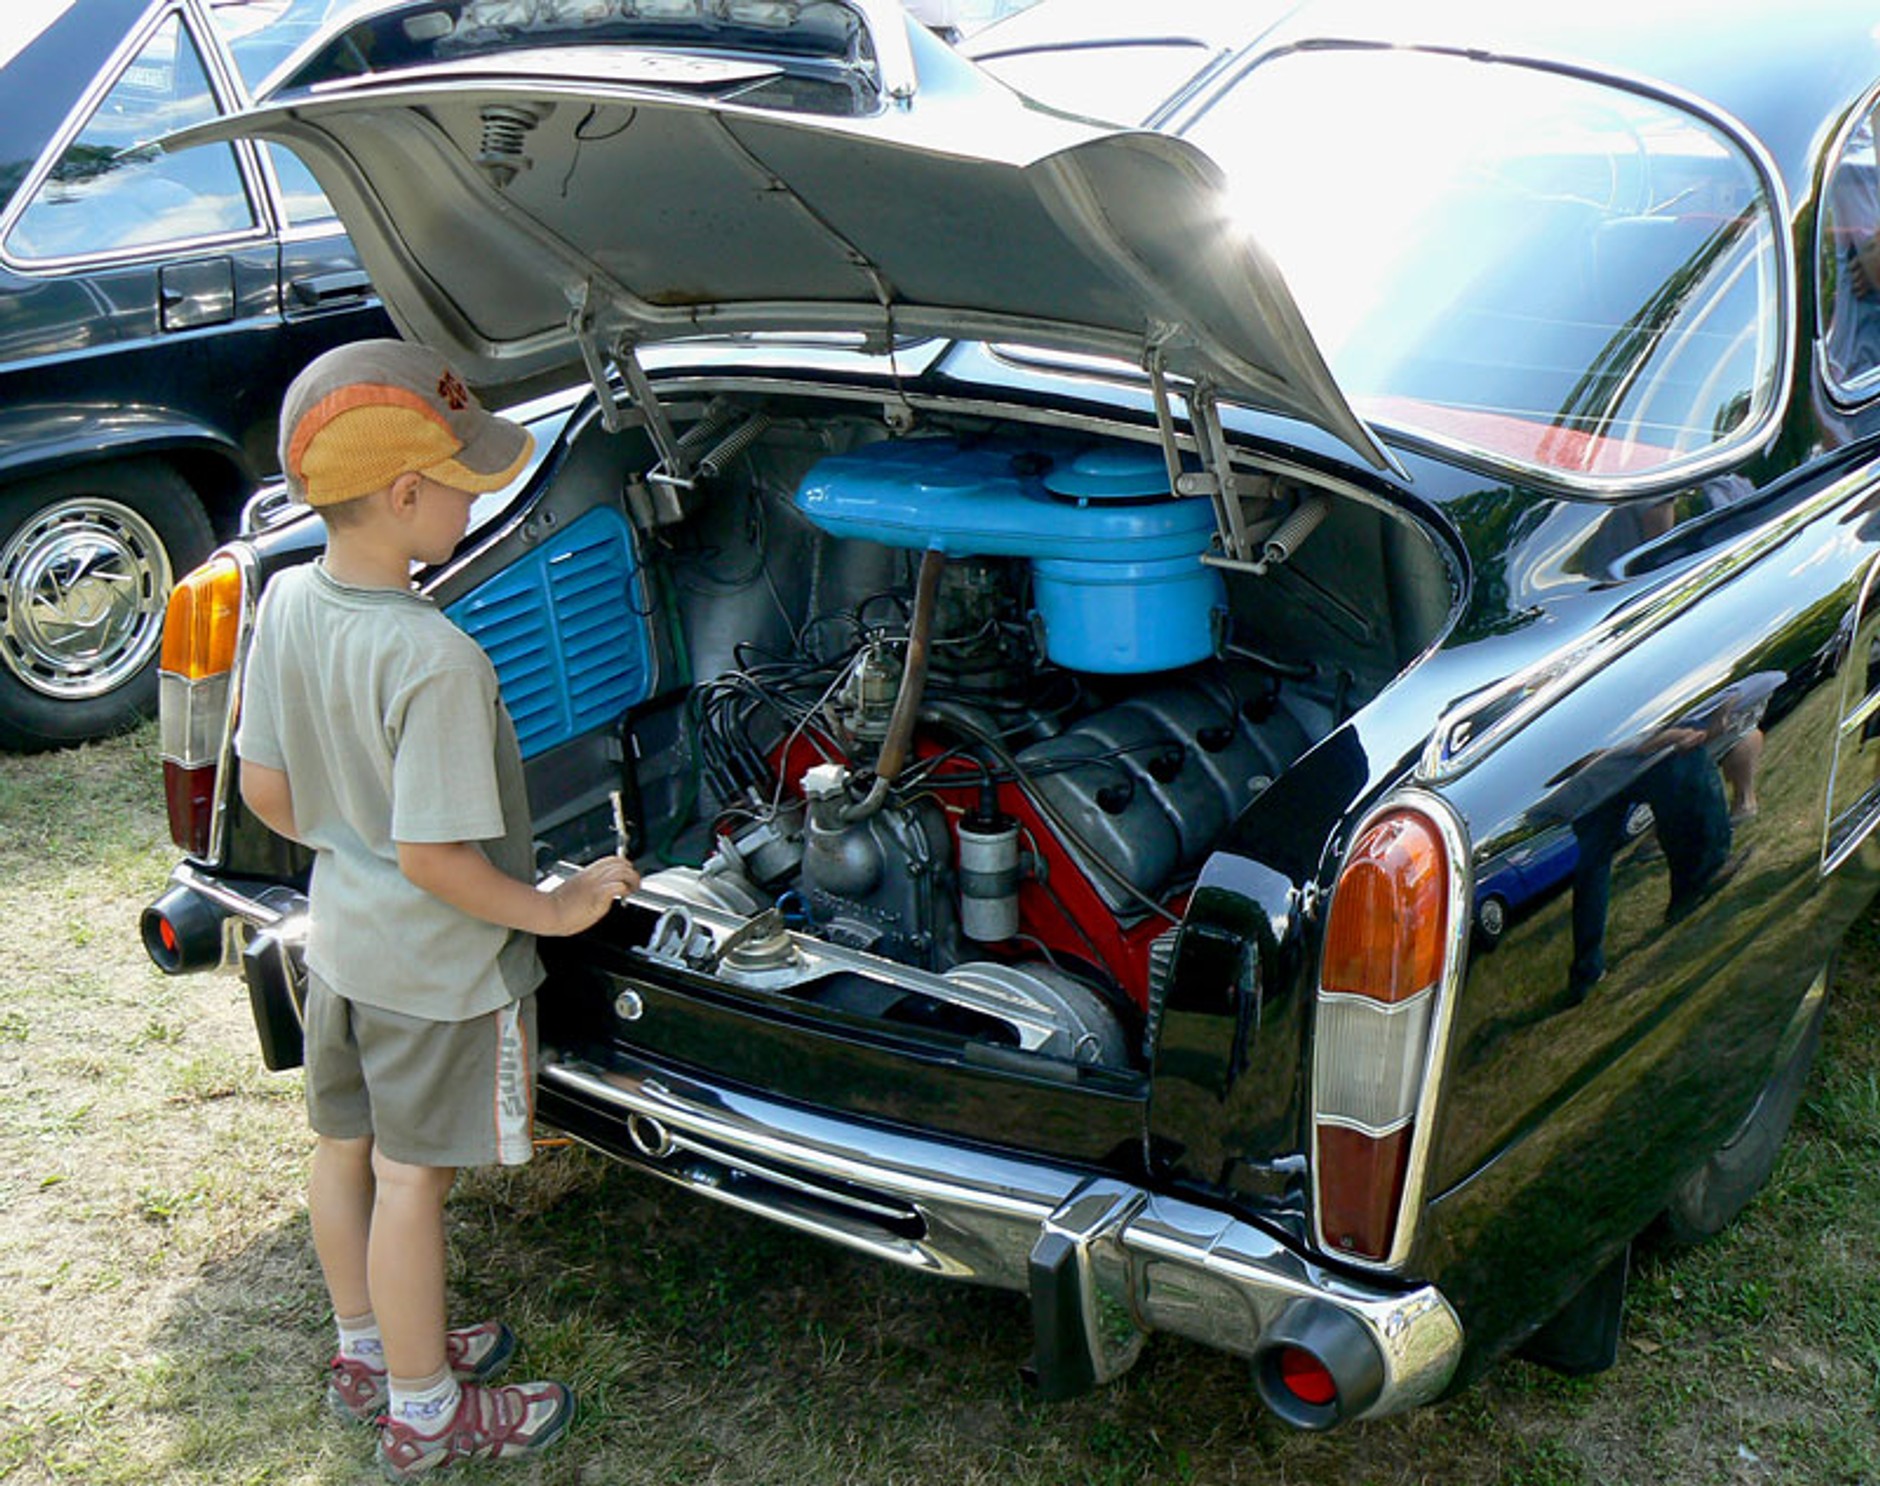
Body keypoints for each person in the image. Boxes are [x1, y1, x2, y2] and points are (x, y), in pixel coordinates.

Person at [234, 339, 640, 1481]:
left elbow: (266, 792)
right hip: (438, 974)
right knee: (414, 1183)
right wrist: (554, 908)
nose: (479, 506)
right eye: (467, 487)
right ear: (407, 495)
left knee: (345, 1150)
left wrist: (350, 839)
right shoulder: (438, 658)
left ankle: (368, 1351)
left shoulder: (288, 599)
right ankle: (425, 1411)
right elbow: (434, 859)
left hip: (344, 945)